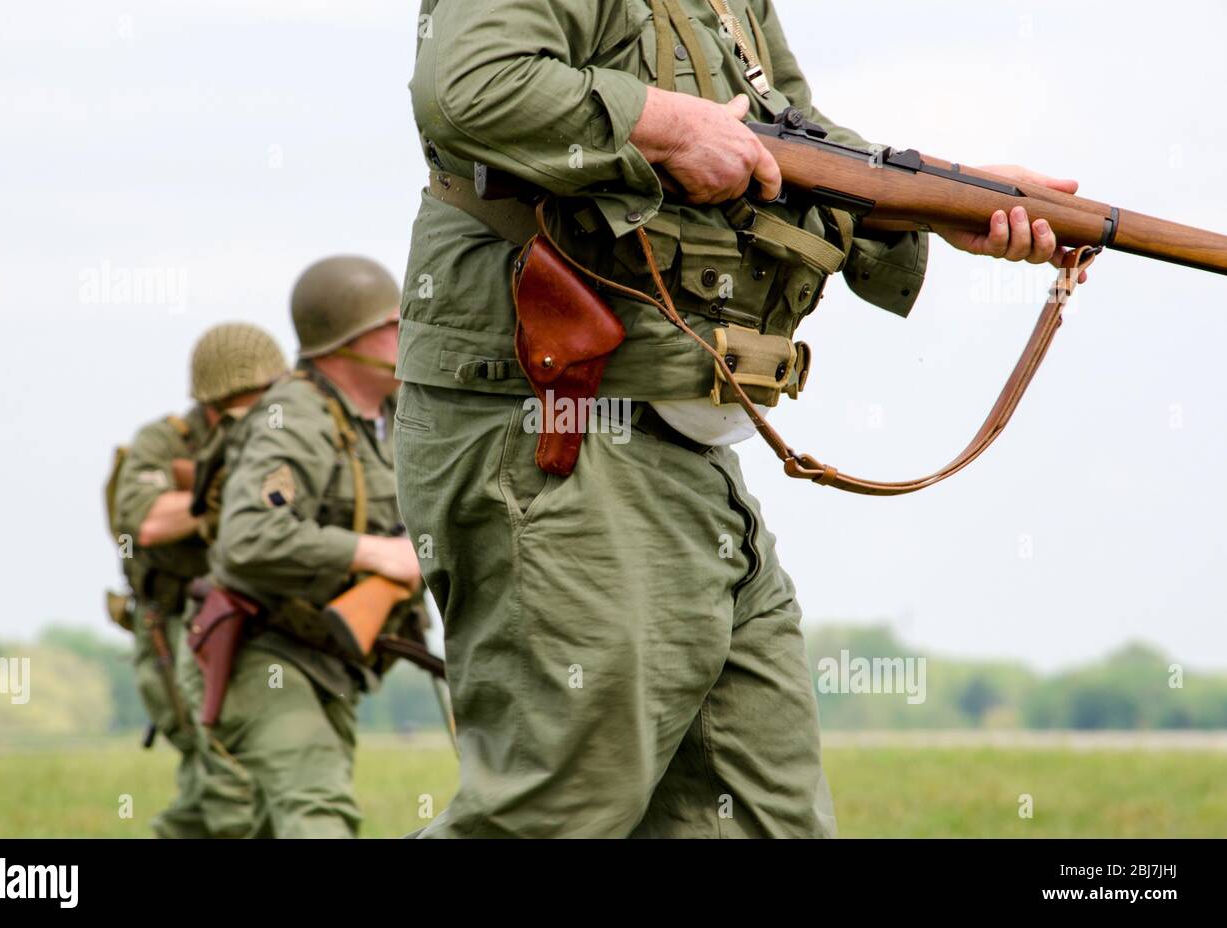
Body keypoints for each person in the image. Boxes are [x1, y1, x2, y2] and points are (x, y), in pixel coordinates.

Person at [393, 0, 1082, 837]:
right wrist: (667, 127)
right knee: (554, 814)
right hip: (556, 432)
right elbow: (469, 86)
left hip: (685, 448)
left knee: (763, 821)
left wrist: (952, 199)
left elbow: (797, 144)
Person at [187, 256, 425, 838]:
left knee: (273, 825)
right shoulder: (291, 419)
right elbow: (249, 538)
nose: (410, 331)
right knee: (318, 815)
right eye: (393, 323)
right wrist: (377, 554)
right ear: (347, 340)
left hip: (332, 657)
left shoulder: (395, 417)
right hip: (265, 650)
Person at [108, 321, 287, 837]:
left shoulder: (287, 433)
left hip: (250, 622)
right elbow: (142, 519)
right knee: (221, 768)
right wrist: (219, 501)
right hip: (176, 624)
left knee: (228, 770)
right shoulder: (166, 440)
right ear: (211, 404)